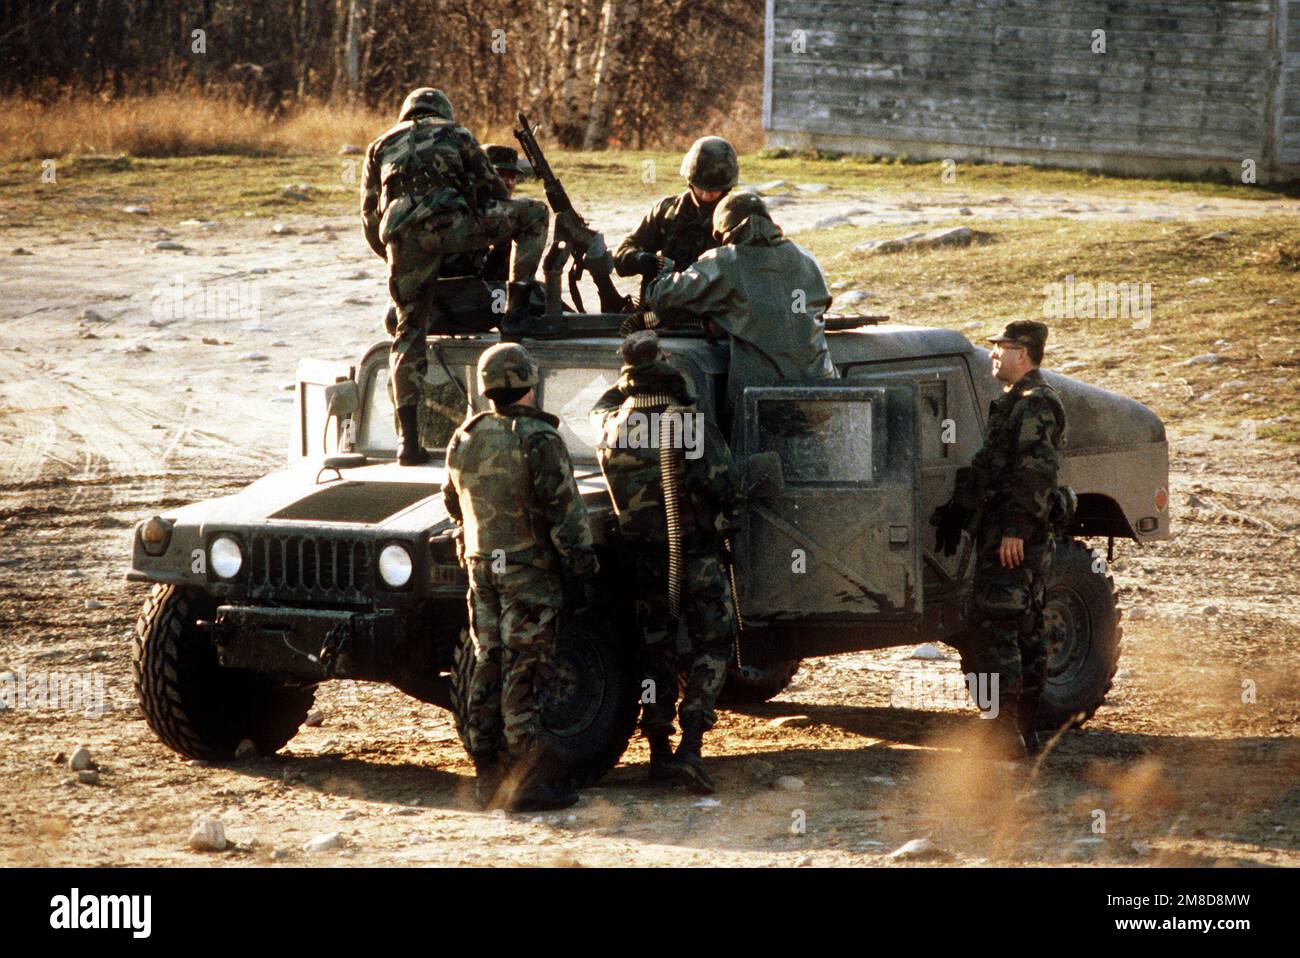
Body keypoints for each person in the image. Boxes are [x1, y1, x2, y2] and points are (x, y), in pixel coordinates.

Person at [442, 343, 600, 810]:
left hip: (480, 566)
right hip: (529, 569)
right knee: (525, 668)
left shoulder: (464, 436)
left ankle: (486, 775)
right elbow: (566, 514)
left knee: (487, 661)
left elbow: (453, 505)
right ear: (529, 384)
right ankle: (526, 781)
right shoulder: (539, 439)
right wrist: (583, 567)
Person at [361, 88, 548, 464]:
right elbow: (492, 190)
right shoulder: (457, 133)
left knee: (407, 333)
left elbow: (369, 218)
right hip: (452, 224)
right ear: (443, 110)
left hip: (402, 237)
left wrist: (398, 258)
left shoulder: (378, 146)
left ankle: (408, 443)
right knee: (535, 215)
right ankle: (515, 310)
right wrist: (472, 236)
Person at [590, 331, 741, 793]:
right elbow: (725, 485)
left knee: (655, 651)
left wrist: (632, 372)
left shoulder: (611, 425)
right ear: (665, 367)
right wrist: (674, 383)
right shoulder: (687, 423)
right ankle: (690, 745)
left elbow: (603, 403)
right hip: (693, 556)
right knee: (713, 642)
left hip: (644, 562)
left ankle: (657, 748)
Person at [930, 320, 1067, 758]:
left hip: (1014, 536)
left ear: (1022, 354)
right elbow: (991, 467)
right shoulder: (1014, 403)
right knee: (1019, 626)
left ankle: (1007, 729)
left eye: (1001, 347)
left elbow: (1034, 474)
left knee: (1000, 627)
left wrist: (1014, 531)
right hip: (1003, 530)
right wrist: (958, 511)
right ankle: (1022, 730)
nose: (993, 354)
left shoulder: (1035, 405)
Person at [644, 190, 836, 419]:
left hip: (761, 404)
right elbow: (810, 306)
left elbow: (660, 295)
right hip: (824, 395)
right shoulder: (806, 259)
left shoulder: (726, 261)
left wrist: (662, 267)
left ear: (725, 232)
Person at [613, 136, 738, 309]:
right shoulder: (668, 211)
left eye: (714, 191)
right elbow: (621, 256)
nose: (706, 195)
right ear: (690, 181)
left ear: (726, 188)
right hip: (661, 311)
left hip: (713, 315)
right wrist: (641, 259)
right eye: (700, 188)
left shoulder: (737, 217)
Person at [480, 144, 530, 282]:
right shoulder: (469, 213)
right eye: (501, 175)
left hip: (498, 295)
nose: (508, 182)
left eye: (512, 176)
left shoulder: (514, 217)